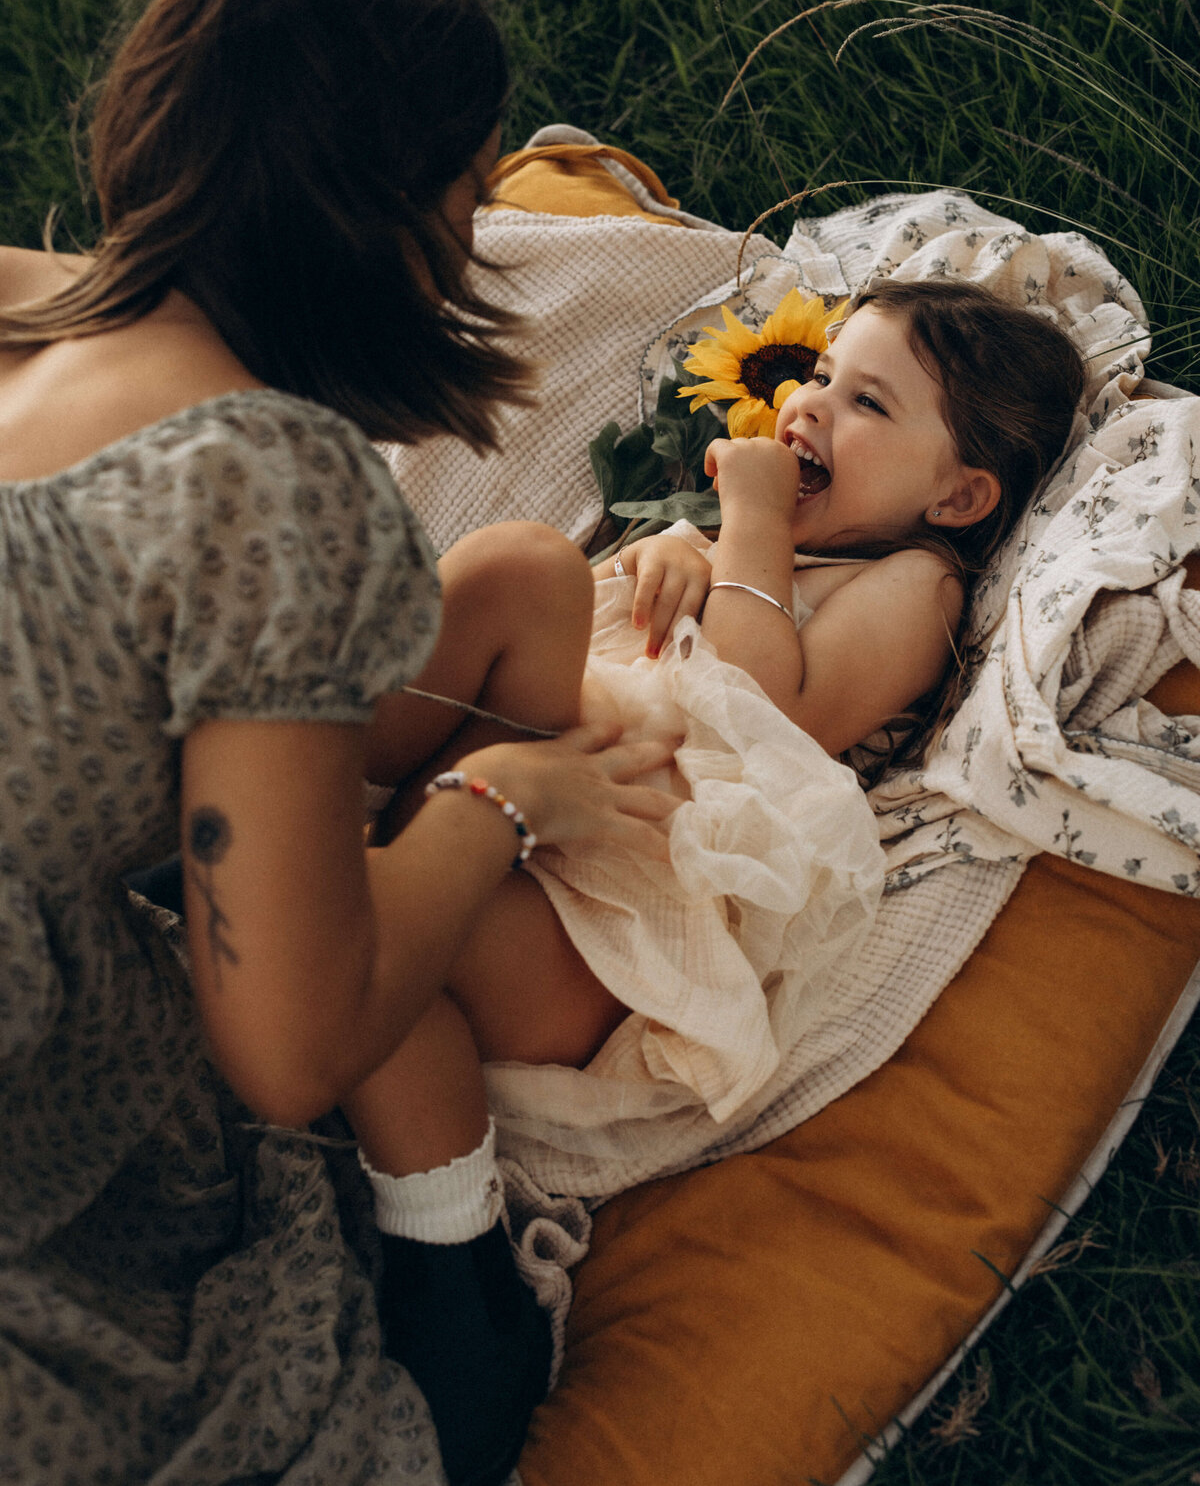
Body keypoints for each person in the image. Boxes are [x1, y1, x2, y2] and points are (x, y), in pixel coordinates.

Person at [0, 0, 680, 1486]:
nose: (479, 238)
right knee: (376, 1079)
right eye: (472, 197)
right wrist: (508, 795)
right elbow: (295, 1044)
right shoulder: (260, 481)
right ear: (389, 226)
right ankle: (456, 1291)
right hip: (43, 1237)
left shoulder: (26, 308)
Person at [351, 276, 1088, 1220]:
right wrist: (660, 554)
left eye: (866, 402)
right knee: (522, 564)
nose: (809, 401)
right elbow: (580, 629)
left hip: (602, 907)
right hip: (497, 790)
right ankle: (318, 775)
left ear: (957, 496)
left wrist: (751, 521)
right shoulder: (745, 547)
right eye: (821, 373)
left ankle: (316, 898)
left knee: (380, 937)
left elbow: (759, 704)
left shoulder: (915, 586)